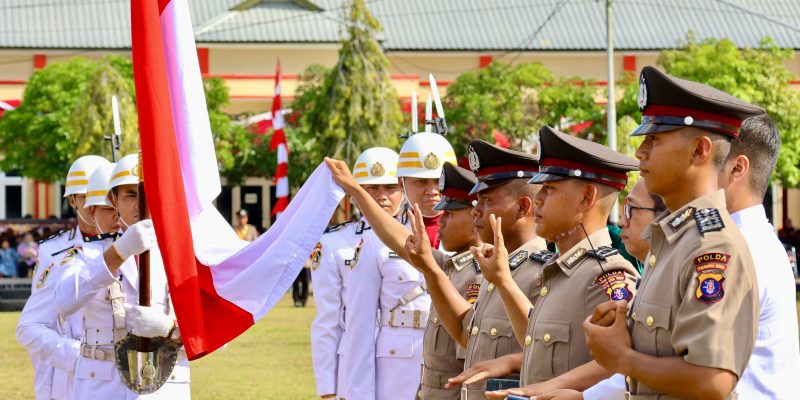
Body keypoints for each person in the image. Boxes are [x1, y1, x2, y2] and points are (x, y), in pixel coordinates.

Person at [583, 66, 761, 399]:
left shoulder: (712, 245)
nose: (640, 152)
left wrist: (623, 358)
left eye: (655, 139)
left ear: (699, 150)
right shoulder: (674, 241)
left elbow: (712, 381)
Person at [457, 126, 639, 398]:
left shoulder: (606, 274)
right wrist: (503, 280)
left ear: (586, 198)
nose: (538, 199)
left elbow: (619, 367)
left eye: (550, 188)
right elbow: (531, 343)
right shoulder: (560, 269)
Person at [326, 158, 483, 400]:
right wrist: (355, 188)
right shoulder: (452, 265)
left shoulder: (492, 270)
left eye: (449, 213)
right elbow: (397, 238)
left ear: (476, 217)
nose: (440, 219)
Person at [53, 153, 190, 399]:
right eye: (130, 195)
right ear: (113, 200)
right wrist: (120, 251)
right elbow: (64, 302)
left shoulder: (181, 254)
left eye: (148, 193)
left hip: (165, 386)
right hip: (103, 387)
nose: (141, 203)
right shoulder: (87, 253)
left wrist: (169, 329)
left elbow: (214, 337)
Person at [16, 155, 109, 400]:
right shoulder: (56, 252)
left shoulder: (133, 245)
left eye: (102, 195)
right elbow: (32, 327)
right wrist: (77, 356)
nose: (94, 204)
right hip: (76, 376)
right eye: (85, 196)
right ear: (72, 200)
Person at [396, 132, 458, 249]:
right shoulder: (389, 232)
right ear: (401, 183)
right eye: (421, 181)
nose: (432, 191)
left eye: (439, 181)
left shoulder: (472, 230)